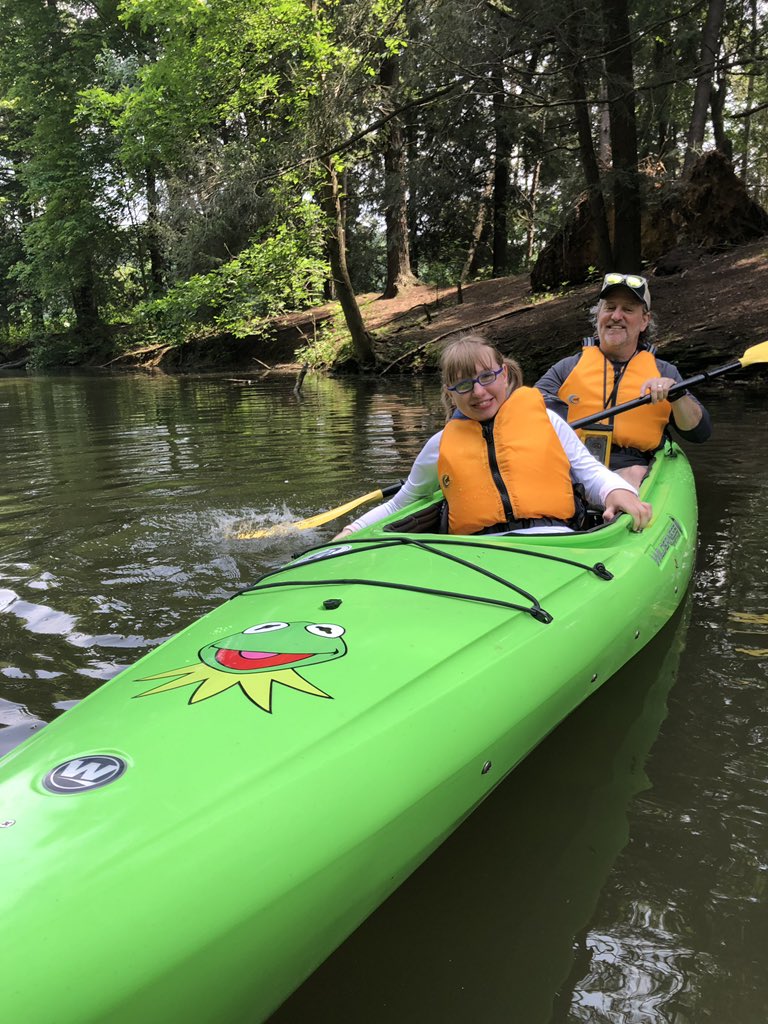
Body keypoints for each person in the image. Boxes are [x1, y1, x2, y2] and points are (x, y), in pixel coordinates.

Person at [335, 334, 651, 539]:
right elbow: (398, 506)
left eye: (487, 377)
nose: (478, 392)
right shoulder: (440, 444)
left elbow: (591, 473)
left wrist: (617, 492)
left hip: (558, 548)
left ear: (505, 373)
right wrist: (350, 529)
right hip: (480, 562)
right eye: (463, 385)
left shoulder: (548, 422)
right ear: (450, 392)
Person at [535, 272, 711, 490]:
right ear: (598, 315)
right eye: (609, 308)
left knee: (634, 474)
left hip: (632, 466)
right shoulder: (566, 368)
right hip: (571, 464)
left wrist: (677, 395)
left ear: (644, 321)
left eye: (627, 309)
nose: (616, 316)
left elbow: (699, 433)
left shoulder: (665, 372)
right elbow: (527, 415)